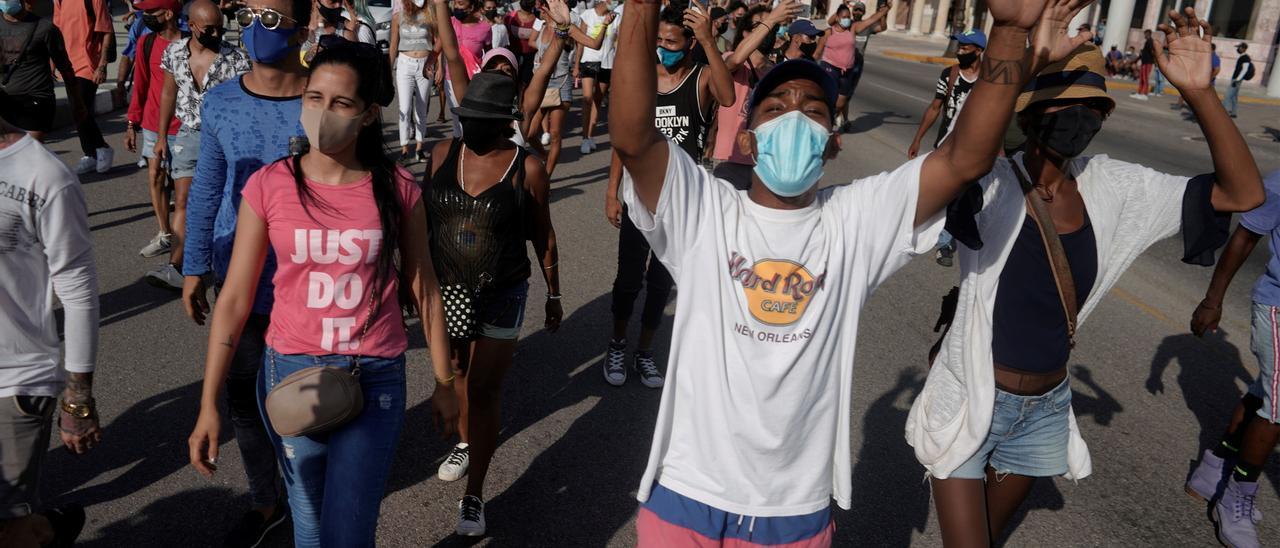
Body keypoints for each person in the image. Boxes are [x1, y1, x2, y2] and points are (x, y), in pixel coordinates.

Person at [610, 0, 1090, 542]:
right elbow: (633, 136)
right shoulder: (705, 210)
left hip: (793, 512)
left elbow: (963, 159)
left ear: (834, 143)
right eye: (775, 108)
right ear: (746, 140)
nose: (794, 117)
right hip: (686, 496)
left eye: (814, 111)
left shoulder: (855, 220)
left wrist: (1007, 32)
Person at [905, 10, 1265, 547]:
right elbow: (957, 154)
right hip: (968, 395)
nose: (1080, 117)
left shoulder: (1115, 188)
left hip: (1043, 409)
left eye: (1093, 107)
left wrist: (1200, 94)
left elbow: (1243, 194)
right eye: (1064, 105)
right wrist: (1027, 64)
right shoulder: (991, 183)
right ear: (1029, 112)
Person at [188, 41, 455, 548]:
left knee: (348, 532)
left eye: (341, 103)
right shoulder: (269, 185)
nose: (322, 112)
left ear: (368, 114)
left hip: (374, 373)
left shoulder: (398, 187)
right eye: (314, 98)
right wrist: (208, 403)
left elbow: (424, 287)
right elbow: (235, 299)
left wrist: (444, 381)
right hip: (291, 372)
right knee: (309, 528)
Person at [182, 0, 315, 543]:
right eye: (249, 12)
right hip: (239, 279)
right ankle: (266, 500)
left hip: (308, 284)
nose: (257, 26)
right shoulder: (220, 101)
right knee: (243, 399)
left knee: (308, 404)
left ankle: (311, 495)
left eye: (272, 16)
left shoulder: (324, 99)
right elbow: (207, 188)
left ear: (302, 27)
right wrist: (194, 265)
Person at [424, 71, 562, 536]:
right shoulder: (442, 154)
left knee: (484, 388)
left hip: (504, 293)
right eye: (466, 117)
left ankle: (474, 495)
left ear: (506, 123)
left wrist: (554, 295)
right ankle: (467, 443)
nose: (470, 126)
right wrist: (413, 281)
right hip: (450, 292)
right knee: (459, 373)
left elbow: (543, 235)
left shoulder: (529, 169)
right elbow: (423, 224)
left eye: (480, 119)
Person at [600, 3, 733, 389]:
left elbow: (727, 98)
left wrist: (709, 39)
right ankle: (617, 344)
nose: (662, 47)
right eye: (658, 40)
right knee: (628, 280)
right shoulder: (643, 79)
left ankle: (644, 352)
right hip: (638, 199)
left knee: (661, 284)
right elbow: (624, 141)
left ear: (690, 44)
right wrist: (612, 191)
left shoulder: (701, 78)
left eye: (671, 42)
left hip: (681, 205)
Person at [0, 95, 100, 548]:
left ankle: (42, 528)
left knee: (11, 530)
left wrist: (78, 400)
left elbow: (77, 293)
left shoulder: (43, 175)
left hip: (14, 382)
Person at [1185, 169, 1280, 548]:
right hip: (1277, 308)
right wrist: (1213, 300)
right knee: (1278, 409)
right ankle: (1236, 497)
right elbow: (1244, 237)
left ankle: (1212, 473)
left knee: (1264, 391)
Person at [143, 0, 252, 290]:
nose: (216, 34)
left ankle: (225, 263)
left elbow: (245, 103)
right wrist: (162, 137)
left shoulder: (236, 58)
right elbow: (168, 94)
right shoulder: (174, 53)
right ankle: (177, 267)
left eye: (220, 28)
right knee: (183, 201)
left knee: (224, 202)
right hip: (188, 135)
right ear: (191, 26)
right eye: (209, 29)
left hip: (223, 139)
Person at [906, 28, 985, 267]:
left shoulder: (988, 81)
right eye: (959, 46)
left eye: (965, 47)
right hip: (946, 147)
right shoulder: (949, 75)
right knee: (945, 193)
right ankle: (943, 241)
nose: (960, 51)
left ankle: (955, 237)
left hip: (977, 150)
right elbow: (935, 107)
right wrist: (917, 138)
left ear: (978, 51)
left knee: (967, 197)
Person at [709, 1, 796, 190]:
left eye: (773, 27)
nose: (768, 30)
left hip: (765, 164)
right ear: (746, 33)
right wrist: (772, 18)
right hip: (730, 158)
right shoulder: (729, 58)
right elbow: (736, 60)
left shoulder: (776, 72)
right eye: (761, 25)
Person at [125, 0, 186, 262]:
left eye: (151, 12)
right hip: (152, 124)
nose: (146, 17)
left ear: (169, 13)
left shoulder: (190, 43)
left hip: (184, 127)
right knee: (155, 176)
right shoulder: (146, 42)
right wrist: (132, 123)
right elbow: (140, 83)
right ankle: (164, 233)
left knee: (183, 187)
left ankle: (186, 237)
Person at [0, 0, 86, 142]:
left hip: (36, 100)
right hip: (5, 100)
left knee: (30, 149)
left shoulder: (46, 29)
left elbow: (66, 69)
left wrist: (78, 103)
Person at [52, 0, 114, 174]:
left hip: (89, 64)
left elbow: (107, 31)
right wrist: (52, 62)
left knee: (81, 107)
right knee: (77, 111)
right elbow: (56, 31)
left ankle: (102, 147)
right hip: (67, 64)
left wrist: (102, 65)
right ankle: (90, 154)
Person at [817, 1, 889, 132]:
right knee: (830, 96)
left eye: (848, 16)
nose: (847, 19)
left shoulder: (857, 27)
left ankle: (833, 116)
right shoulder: (835, 28)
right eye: (844, 17)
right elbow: (830, 22)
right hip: (832, 66)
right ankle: (828, 123)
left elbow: (875, 21)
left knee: (843, 99)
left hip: (851, 67)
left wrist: (885, 10)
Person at [389, 0, 437, 165]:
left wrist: (439, 66)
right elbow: (393, 45)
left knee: (421, 108)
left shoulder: (430, 14)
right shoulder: (398, 17)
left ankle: (419, 147)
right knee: (404, 108)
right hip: (405, 64)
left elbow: (438, 40)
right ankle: (404, 149)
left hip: (426, 64)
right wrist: (388, 70)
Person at [574, 0, 617, 156]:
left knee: (598, 99)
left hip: (607, 62)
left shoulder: (617, 17)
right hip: (589, 60)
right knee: (587, 98)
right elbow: (580, 42)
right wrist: (576, 64)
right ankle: (585, 138)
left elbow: (619, 41)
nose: (615, 2)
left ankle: (591, 135)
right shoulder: (588, 15)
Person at [502, 0, 539, 83]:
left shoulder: (538, 20)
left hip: (530, 56)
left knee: (525, 78)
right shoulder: (510, 17)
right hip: (513, 53)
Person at [1223, 42, 1252, 118]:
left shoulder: (1245, 58)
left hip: (1237, 80)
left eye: (1239, 48)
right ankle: (1234, 113)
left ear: (1244, 49)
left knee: (1227, 96)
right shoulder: (1242, 57)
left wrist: (1237, 79)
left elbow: (1245, 70)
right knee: (1234, 97)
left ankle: (1223, 113)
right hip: (1236, 79)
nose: (1238, 49)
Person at [1132, 28, 1155, 99]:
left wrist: (1154, 61)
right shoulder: (1147, 41)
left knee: (1145, 78)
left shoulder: (1150, 41)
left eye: (1145, 34)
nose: (1144, 35)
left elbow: (1152, 51)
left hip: (1148, 62)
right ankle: (1139, 92)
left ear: (1148, 34)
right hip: (1144, 62)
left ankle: (1144, 93)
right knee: (1141, 78)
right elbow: (1144, 53)